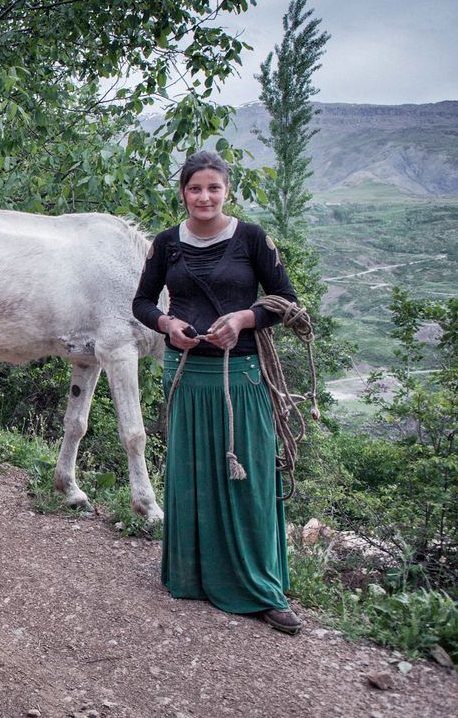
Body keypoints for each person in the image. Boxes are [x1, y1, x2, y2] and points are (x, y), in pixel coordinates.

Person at [131, 150, 303, 635]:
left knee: (247, 480)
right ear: (183, 193)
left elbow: (287, 301)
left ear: (227, 190)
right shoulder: (166, 244)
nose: (204, 197)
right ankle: (192, 577)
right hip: (186, 374)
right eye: (195, 188)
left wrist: (245, 318)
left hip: (241, 376)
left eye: (213, 188)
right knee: (191, 476)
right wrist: (167, 324)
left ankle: (262, 589)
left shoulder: (251, 239)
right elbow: (142, 302)